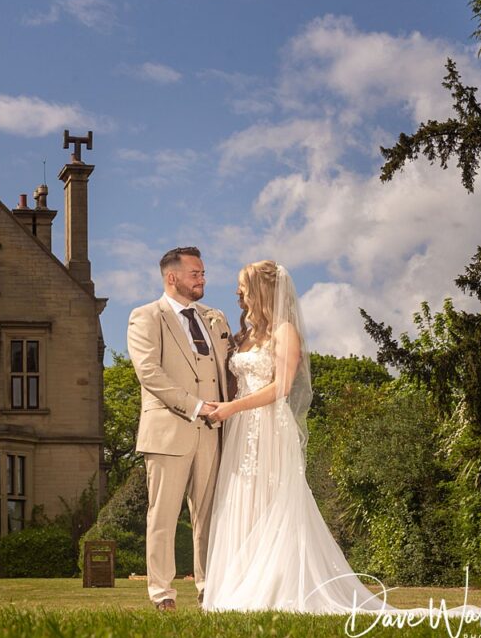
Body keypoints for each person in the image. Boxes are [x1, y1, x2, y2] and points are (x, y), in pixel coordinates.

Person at [199, 260, 391, 613]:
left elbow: (281, 387)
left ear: (260, 290)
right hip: (243, 428)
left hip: (269, 426)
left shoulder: (285, 332)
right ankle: (239, 583)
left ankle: (273, 584)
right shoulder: (250, 335)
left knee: (271, 498)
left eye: (242, 285)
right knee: (243, 498)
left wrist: (232, 409)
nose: (237, 292)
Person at [127, 247, 232, 611]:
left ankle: (208, 587)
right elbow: (149, 373)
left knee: (208, 515)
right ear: (172, 278)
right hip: (169, 431)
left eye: (202, 273)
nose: (202, 279)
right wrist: (196, 406)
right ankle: (162, 593)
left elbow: (229, 369)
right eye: (195, 273)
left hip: (213, 432)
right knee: (163, 515)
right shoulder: (146, 317)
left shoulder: (215, 318)